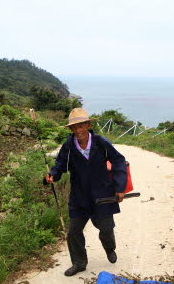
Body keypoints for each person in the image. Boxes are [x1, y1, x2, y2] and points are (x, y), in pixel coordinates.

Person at [44, 108, 128, 277]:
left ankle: (109, 248)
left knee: (106, 228)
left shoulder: (100, 142)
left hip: (102, 195)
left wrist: (120, 187)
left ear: (88, 125)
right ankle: (79, 262)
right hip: (79, 196)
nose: (78, 131)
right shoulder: (68, 146)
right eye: (74, 128)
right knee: (74, 232)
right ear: (71, 130)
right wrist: (52, 175)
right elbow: (60, 165)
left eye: (81, 126)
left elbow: (119, 161)